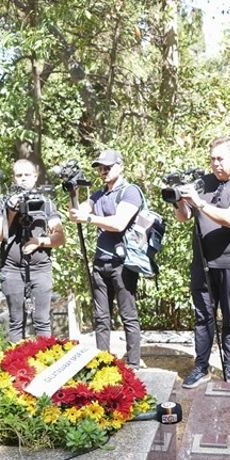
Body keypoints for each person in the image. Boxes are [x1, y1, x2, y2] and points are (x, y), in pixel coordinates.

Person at [175, 136, 230, 388]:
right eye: (212, 159)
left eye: (220, 158)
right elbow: (184, 217)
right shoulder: (203, 183)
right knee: (203, 317)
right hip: (202, 262)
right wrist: (179, 198)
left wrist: (199, 202)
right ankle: (201, 366)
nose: (215, 164)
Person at [69, 149, 143, 366]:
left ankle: (134, 363)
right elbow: (75, 215)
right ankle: (102, 361)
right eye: (100, 168)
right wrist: (72, 191)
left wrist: (89, 218)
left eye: (108, 167)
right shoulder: (99, 194)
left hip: (123, 263)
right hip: (100, 262)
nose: (103, 171)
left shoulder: (130, 192)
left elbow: (119, 223)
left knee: (128, 315)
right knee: (101, 317)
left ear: (120, 166)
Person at [0, 158, 65, 341]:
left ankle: (45, 362)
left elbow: (60, 238)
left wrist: (39, 241)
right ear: (13, 178)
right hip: (12, 269)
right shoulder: (3, 202)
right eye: (19, 175)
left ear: (35, 177)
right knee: (16, 321)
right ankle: (17, 367)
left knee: (42, 320)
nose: (23, 179)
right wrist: (11, 212)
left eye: (27, 175)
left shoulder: (45, 202)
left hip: (40, 270)